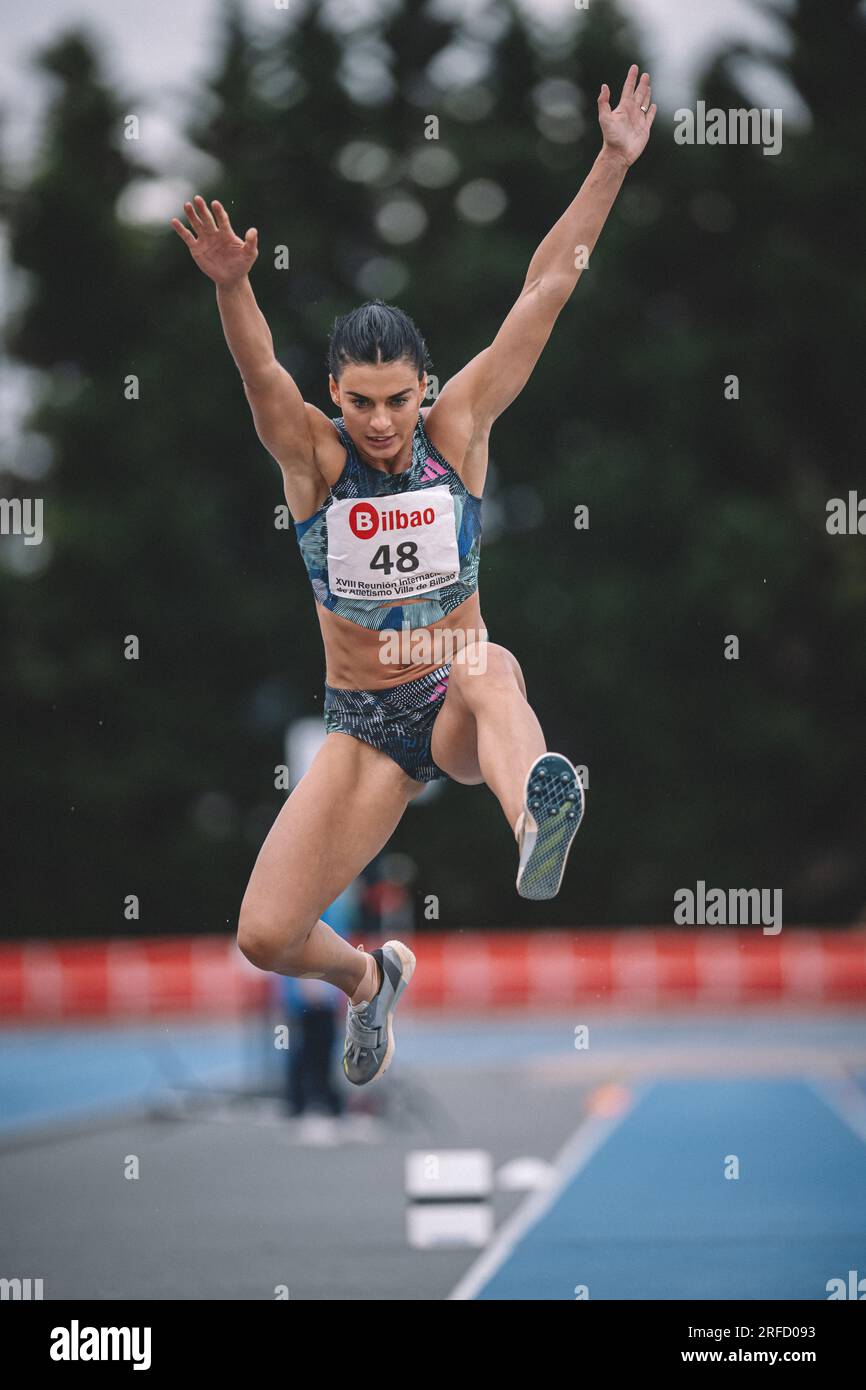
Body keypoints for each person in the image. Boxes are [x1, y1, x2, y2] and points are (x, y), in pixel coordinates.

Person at [171, 65, 656, 1087]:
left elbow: (546, 286)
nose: (382, 423)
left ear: (424, 388)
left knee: (488, 663)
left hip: (450, 697)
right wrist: (233, 286)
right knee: (264, 934)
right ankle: (367, 982)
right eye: (360, 403)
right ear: (335, 397)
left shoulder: (459, 429)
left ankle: (536, 818)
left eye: (396, 400)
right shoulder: (314, 460)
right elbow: (260, 375)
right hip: (363, 725)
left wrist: (610, 162)